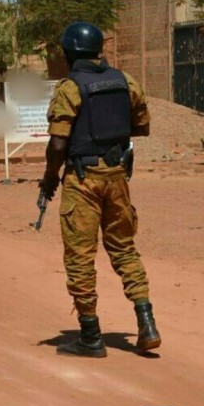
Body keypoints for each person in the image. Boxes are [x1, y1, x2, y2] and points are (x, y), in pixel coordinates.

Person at [39, 21, 161, 358]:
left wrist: (50, 177)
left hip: (83, 181)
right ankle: (147, 322)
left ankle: (91, 336)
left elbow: (58, 143)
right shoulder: (125, 81)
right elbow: (142, 126)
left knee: (80, 256)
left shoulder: (70, 87)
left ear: (69, 53)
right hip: (117, 175)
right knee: (124, 248)